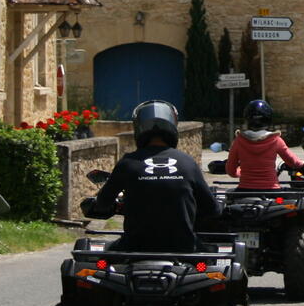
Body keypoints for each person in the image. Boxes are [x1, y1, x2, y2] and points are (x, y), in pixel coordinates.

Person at [83, 99, 217, 252]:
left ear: (138, 128)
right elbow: (212, 208)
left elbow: (102, 204)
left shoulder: (127, 163)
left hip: (135, 248)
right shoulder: (188, 162)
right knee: (218, 264)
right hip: (182, 248)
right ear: (173, 126)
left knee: (95, 262)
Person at [225, 99, 304, 189]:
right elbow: (294, 162)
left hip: (245, 191)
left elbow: (231, 171)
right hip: (272, 192)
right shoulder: (276, 140)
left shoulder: (238, 141)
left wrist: (241, 171)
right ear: (268, 118)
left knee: (229, 198)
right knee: (285, 202)